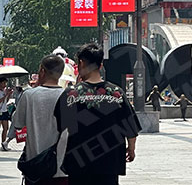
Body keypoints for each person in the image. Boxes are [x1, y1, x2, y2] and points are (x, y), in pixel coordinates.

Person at [55, 43, 140, 184]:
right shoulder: (117, 93)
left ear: (81, 63)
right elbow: (130, 127)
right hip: (109, 163)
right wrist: (131, 148)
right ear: (100, 66)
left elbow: (61, 126)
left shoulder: (70, 94)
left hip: (79, 161)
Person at [12, 54, 69, 184]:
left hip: (35, 167)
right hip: (61, 168)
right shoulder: (69, 97)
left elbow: (18, 124)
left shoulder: (29, 95)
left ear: (42, 71)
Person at [0, 77, 13, 150]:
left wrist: (8, 95)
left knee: (6, 128)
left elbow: (6, 101)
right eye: (3, 83)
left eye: (5, 83)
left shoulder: (4, 91)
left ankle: (3, 144)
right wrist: (5, 95)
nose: (5, 85)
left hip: (4, 111)